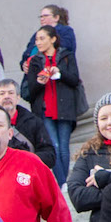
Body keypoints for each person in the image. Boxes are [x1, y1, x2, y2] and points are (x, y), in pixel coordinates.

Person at [21, 25, 83, 186]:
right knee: (53, 146)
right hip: (44, 110)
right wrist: (40, 82)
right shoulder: (35, 61)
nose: (38, 42)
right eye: (36, 39)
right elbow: (31, 92)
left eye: (42, 38)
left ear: (53, 39)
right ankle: (64, 184)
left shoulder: (66, 56)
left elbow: (75, 79)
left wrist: (60, 74)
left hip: (65, 108)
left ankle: (66, 183)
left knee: (63, 146)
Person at [66, 93, 111, 217]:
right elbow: (78, 197)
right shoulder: (90, 152)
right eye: (103, 118)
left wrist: (107, 178)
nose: (110, 122)